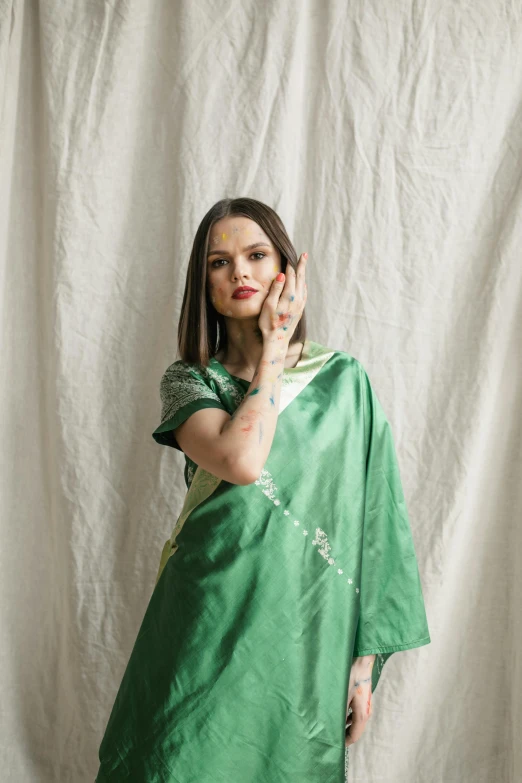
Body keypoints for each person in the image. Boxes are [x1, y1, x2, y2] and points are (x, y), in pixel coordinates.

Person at [95, 197, 431, 782]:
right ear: (203, 285)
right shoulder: (190, 381)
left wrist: (362, 660)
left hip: (305, 632)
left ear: (285, 269)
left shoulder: (344, 382)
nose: (240, 273)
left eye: (256, 255)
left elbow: (376, 523)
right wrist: (274, 349)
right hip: (205, 620)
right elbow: (241, 460)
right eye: (219, 263)